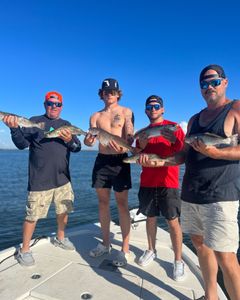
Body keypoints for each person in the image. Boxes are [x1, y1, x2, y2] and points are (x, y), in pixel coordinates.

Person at [180, 65, 240, 300]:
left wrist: (216, 154)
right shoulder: (194, 119)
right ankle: (211, 296)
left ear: (225, 82)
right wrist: (161, 162)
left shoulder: (235, 108)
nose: (209, 87)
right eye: (204, 84)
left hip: (221, 194)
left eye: (214, 81)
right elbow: (183, 155)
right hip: (191, 192)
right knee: (199, 244)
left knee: (226, 256)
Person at [3, 91, 81, 267]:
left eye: (57, 104)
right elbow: (22, 145)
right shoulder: (34, 121)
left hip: (63, 180)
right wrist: (14, 128)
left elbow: (77, 147)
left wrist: (69, 140)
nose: (54, 107)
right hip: (39, 180)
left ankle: (60, 238)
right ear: (45, 104)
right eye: (50, 103)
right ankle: (25, 250)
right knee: (32, 216)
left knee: (63, 211)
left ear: (61, 106)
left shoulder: (66, 124)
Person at [135, 95, 186, 281]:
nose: (153, 109)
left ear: (163, 109)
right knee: (150, 218)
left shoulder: (175, 128)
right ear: (146, 111)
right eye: (149, 107)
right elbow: (137, 153)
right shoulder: (143, 132)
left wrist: (173, 139)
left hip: (169, 182)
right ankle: (151, 249)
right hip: (147, 181)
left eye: (156, 106)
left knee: (173, 221)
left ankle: (178, 260)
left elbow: (182, 152)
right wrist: (140, 146)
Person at [84, 78, 134, 266]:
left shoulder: (125, 111)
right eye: (106, 92)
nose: (110, 95)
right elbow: (89, 141)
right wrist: (88, 141)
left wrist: (129, 138)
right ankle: (105, 244)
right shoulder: (95, 116)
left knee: (122, 204)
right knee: (103, 202)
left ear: (118, 93)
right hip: (102, 161)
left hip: (121, 161)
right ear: (101, 94)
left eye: (113, 91)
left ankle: (125, 249)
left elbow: (129, 128)